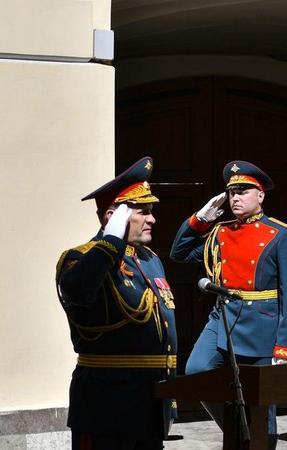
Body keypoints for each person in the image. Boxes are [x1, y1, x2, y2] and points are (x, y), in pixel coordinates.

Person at [170, 160, 287, 449]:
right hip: (224, 319)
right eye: (231, 193)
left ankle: (257, 441)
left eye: (242, 191)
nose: (235, 198)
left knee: (261, 404)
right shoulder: (219, 232)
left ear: (260, 195)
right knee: (196, 373)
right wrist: (200, 219)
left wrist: (286, 345)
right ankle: (237, 429)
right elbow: (179, 252)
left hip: (262, 324)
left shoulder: (281, 233)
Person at [56, 156, 178, 449]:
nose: (153, 218)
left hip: (150, 401)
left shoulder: (150, 261)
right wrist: (109, 243)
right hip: (106, 403)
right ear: (113, 216)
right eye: (143, 211)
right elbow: (79, 291)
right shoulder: (80, 258)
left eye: (151, 211)